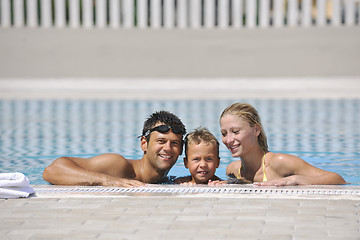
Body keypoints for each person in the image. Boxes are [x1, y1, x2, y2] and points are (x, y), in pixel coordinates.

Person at [43, 111, 186, 187]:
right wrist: (107, 181)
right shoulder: (118, 165)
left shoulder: (166, 180)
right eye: (161, 141)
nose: (167, 148)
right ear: (144, 143)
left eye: (174, 143)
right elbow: (52, 170)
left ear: (180, 150)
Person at [220, 102, 347, 186]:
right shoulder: (233, 170)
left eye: (236, 132)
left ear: (256, 130)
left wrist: (295, 180)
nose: (229, 140)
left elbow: (338, 179)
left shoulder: (279, 163)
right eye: (224, 133)